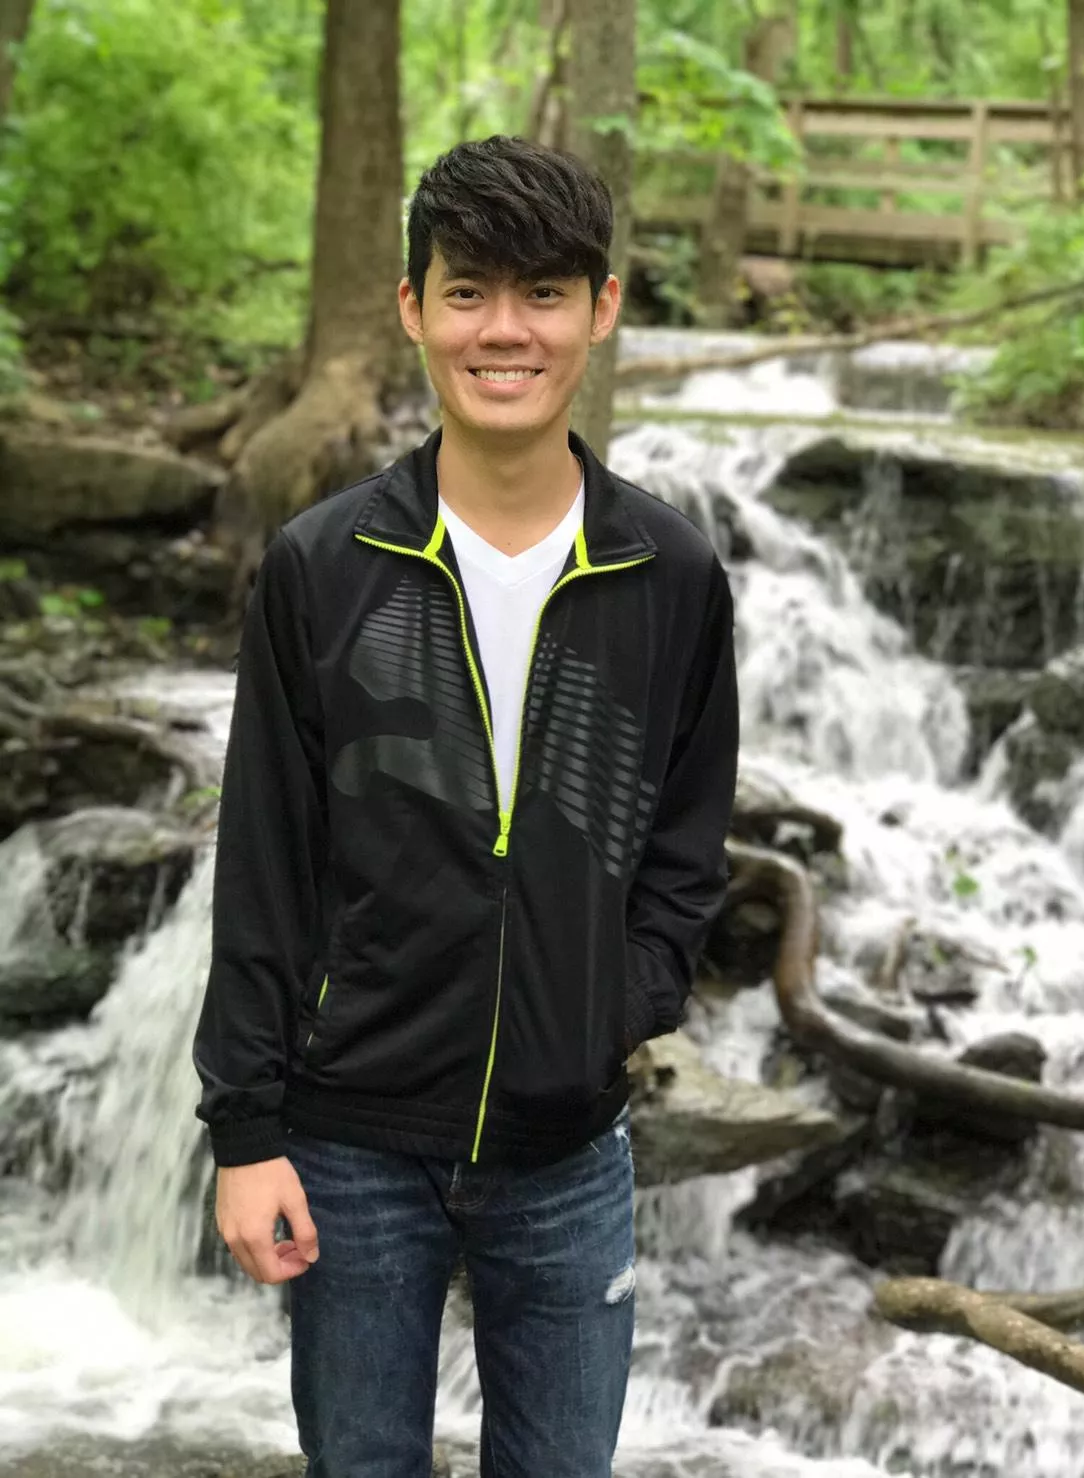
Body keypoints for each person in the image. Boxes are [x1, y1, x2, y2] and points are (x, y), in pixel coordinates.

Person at [193, 135, 739, 1478]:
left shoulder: (667, 571)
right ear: (413, 310)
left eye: (546, 293)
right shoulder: (327, 566)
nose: (508, 330)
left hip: (568, 1156)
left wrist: (618, 1002)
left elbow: (687, 843)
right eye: (471, 292)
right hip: (348, 1146)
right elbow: (267, 859)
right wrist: (245, 1131)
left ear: (603, 310)